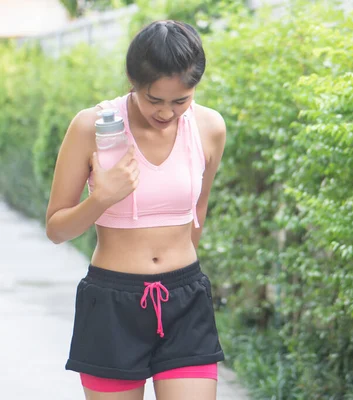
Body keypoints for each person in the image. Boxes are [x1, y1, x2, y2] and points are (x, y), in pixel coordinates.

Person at [45, 20, 226, 400]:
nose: (166, 113)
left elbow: (198, 212)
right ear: (132, 81)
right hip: (113, 303)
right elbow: (57, 229)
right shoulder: (90, 126)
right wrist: (101, 199)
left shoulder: (209, 127)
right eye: (154, 99)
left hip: (184, 300)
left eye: (181, 100)